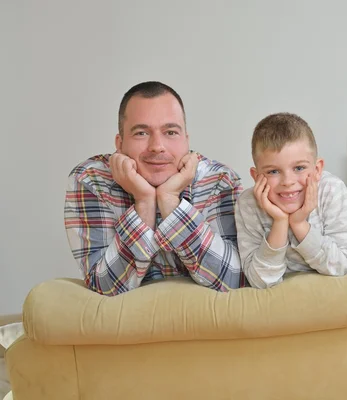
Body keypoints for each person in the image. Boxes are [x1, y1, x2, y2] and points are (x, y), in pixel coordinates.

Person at [64, 81, 247, 295]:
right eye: (141, 133)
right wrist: (144, 202)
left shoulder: (219, 180)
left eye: (170, 132)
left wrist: (170, 200)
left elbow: (234, 282)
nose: (157, 146)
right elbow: (105, 288)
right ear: (119, 143)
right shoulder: (91, 180)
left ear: (186, 141)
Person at [235, 113, 347, 288]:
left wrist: (299, 224)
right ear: (256, 176)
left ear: (317, 169)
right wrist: (280, 221)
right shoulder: (248, 204)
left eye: (299, 168)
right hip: (280, 303)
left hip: (329, 296)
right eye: (273, 172)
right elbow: (260, 281)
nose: (288, 182)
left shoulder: (332, 190)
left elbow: (344, 266)